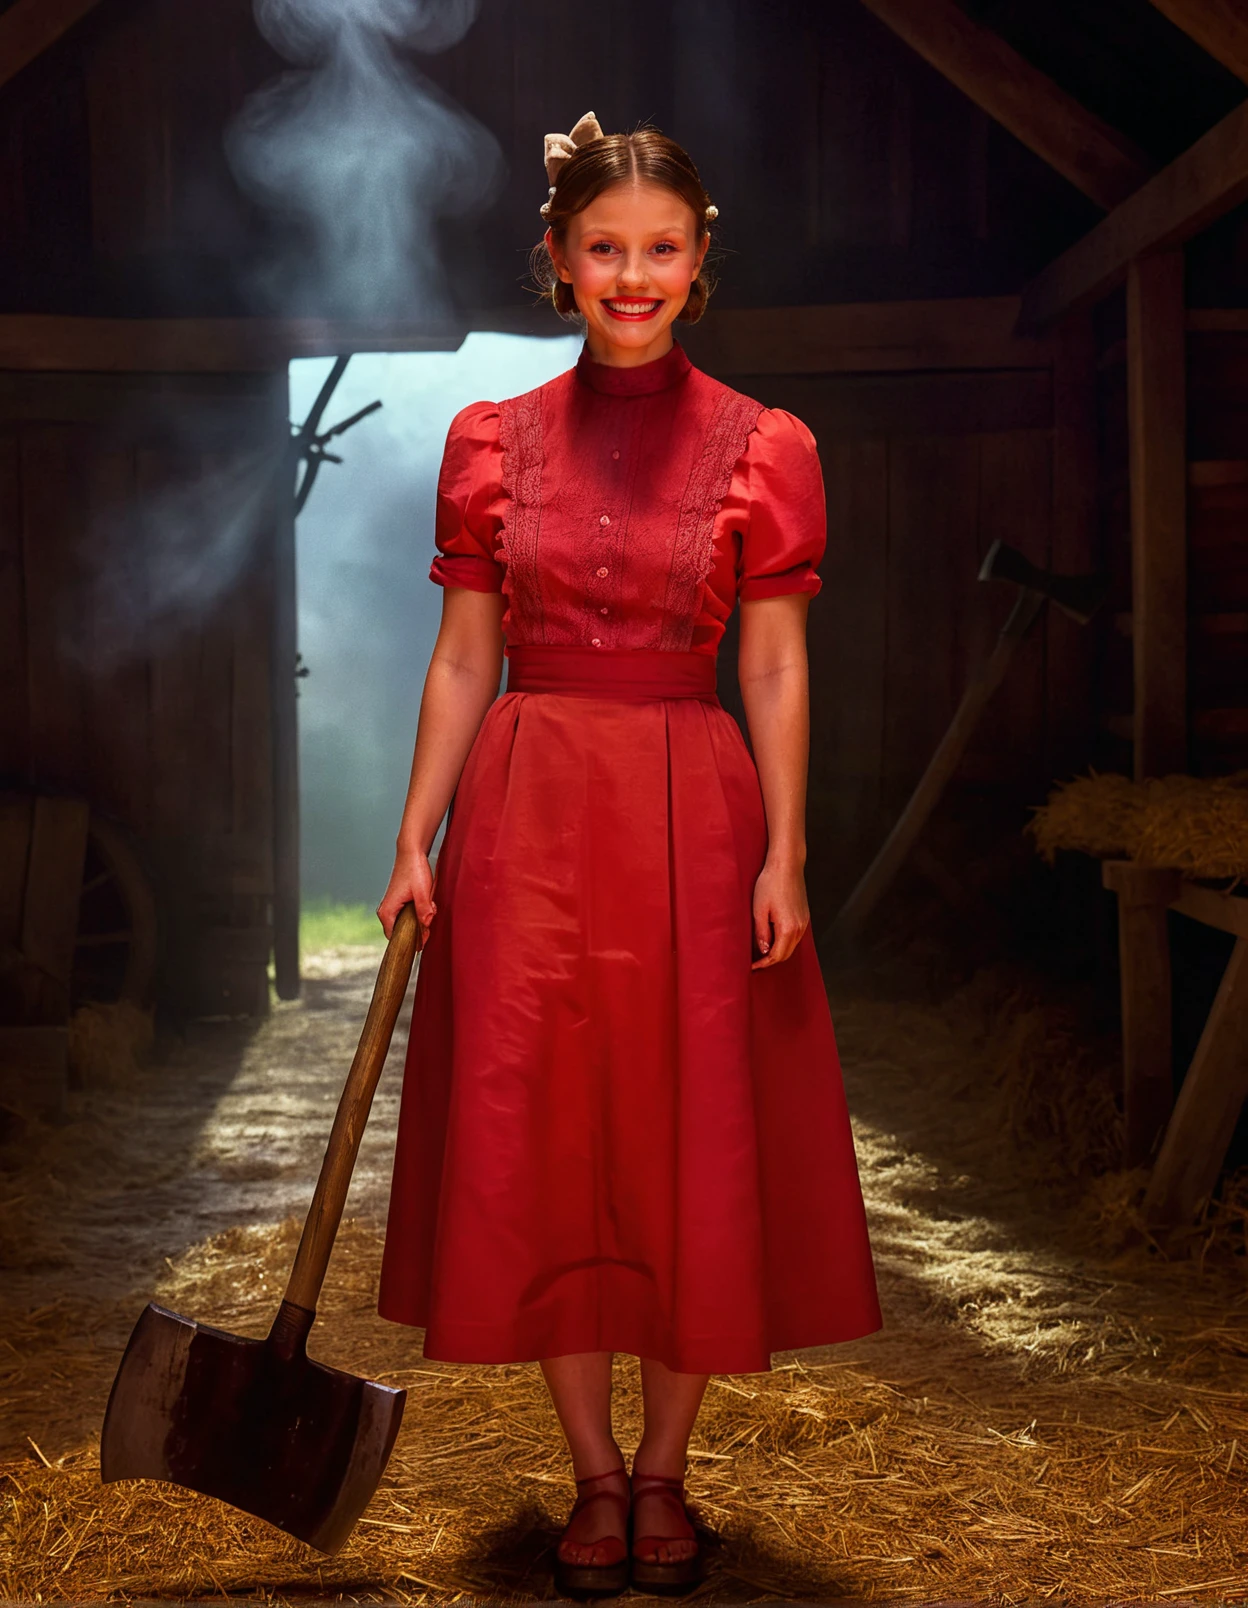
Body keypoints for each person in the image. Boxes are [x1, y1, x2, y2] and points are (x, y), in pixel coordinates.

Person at [376, 111, 882, 1596]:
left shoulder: (766, 445)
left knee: (686, 1137)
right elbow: (466, 658)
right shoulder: (489, 443)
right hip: (526, 815)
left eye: (661, 249)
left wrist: (785, 850)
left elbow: (777, 668)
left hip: (691, 804)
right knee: (547, 1141)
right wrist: (416, 831)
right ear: (559, 260)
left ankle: (669, 1474)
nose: (633, 274)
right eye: (606, 249)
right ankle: (591, 1480)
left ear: (700, 260)